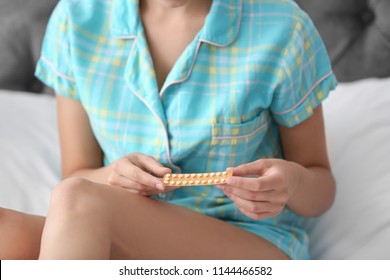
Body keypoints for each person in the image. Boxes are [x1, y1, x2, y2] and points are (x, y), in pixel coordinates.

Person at [0, 0, 337, 260]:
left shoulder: (284, 26)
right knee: (7, 233)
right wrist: (115, 176)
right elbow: (77, 173)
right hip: (124, 231)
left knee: (78, 199)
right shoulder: (76, 19)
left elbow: (321, 188)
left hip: (249, 245)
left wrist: (290, 183)